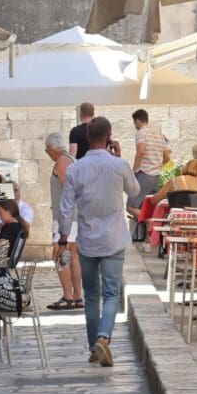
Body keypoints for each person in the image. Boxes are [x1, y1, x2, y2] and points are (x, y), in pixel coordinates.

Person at [58, 116, 139, 367]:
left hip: (88, 240)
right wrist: (120, 157)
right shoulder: (119, 164)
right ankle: (104, 337)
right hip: (114, 238)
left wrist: (63, 238)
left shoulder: (75, 169)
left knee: (91, 295)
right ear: (109, 137)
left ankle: (94, 346)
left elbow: (65, 208)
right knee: (111, 294)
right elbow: (135, 190)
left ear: (87, 138)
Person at [45, 132, 83, 310]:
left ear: (51, 148)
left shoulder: (61, 162)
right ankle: (77, 296)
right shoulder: (73, 160)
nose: (47, 153)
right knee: (73, 257)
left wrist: (62, 225)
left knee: (61, 256)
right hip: (75, 217)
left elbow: (68, 192)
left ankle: (68, 296)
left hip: (65, 218)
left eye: (47, 150)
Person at [131, 108, 170, 220]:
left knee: (131, 207)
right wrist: (157, 166)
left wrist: (134, 171)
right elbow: (167, 158)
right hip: (157, 177)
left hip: (144, 174)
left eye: (134, 122)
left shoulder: (140, 133)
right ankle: (151, 227)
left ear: (137, 120)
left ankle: (148, 222)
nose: (135, 125)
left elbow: (141, 151)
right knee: (151, 208)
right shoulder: (159, 135)